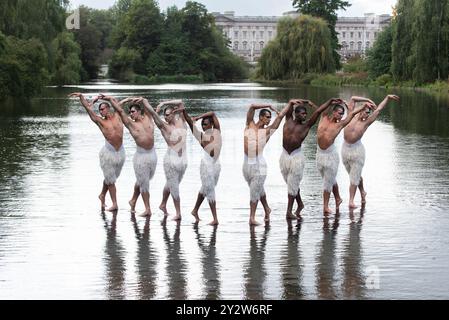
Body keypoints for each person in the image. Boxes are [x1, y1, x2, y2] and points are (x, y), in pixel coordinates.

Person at [280, 98, 338, 219]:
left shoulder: (306, 126)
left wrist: (330, 101)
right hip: (284, 156)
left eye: (306, 114)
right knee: (291, 184)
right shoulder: (288, 119)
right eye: (302, 113)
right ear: (296, 114)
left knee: (292, 184)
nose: (305, 115)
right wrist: (293, 102)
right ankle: (300, 204)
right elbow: (290, 104)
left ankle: (289, 212)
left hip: (296, 157)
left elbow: (318, 112)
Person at [101, 95, 157, 217]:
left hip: (153, 155)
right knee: (144, 183)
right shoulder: (130, 124)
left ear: (140, 111)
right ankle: (148, 209)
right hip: (141, 157)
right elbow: (120, 111)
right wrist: (110, 100)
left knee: (143, 181)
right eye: (130, 112)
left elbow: (149, 108)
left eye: (133, 111)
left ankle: (133, 201)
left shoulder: (148, 118)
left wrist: (143, 100)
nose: (131, 114)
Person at [69, 92, 125, 212]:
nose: (101, 111)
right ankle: (115, 203)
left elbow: (117, 102)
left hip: (120, 152)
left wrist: (107, 98)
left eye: (103, 109)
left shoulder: (118, 116)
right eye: (99, 110)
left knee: (112, 178)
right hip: (107, 154)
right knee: (110, 180)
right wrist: (81, 97)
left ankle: (102, 195)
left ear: (108, 108)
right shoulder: (100, 121)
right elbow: (88, 109)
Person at [342, 94, 400, 208]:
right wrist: (367, 99)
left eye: (369, 113)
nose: (367, 114)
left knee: (354, 177)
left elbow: (378, 110)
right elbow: (353, 98)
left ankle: (351, 201)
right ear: (361, 110)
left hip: (357, 151)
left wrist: (387, 98)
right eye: (366, 111)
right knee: (355, 176)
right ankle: (363, 192)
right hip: (344, 149)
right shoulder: (351, 115)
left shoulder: (366, 123)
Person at [134, 98, 188, 221]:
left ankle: (163, 204)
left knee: (170, 183)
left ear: (174, 114)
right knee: (174, 185)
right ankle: (178, 213)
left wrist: (165, 103)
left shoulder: (181, 121)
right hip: (171, 160)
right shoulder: (164, 126)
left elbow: (180, 103)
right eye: (164, 115)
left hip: (183, 159)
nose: (166, 117)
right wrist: (144, 102)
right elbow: (153, 114)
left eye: (168, 115)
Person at [316, 97, 367, 214]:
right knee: (328, 179)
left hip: (331, 155)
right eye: (339, 113)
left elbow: (351, 114)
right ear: (333, 112)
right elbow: (322, 109)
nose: (340, 116)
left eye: (342, 114)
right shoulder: (323, 117)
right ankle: (338, 198)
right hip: (319, 154)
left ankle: (325, 206)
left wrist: (362, 108)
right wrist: (330, 101)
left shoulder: (340, 125)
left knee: (327, 183)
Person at [243, 102, 290, 225]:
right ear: (261, 117)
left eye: (270, 117)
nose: (269, 119)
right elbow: (252, 106)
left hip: (259, 164)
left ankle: (252, 218)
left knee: (254, 190)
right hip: (247, 163)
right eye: (268, 117)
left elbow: (279, 118)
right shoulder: (249, 124)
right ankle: (267, 209)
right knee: (258, 189)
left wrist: (289, 104)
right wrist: (268, 105)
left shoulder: (268, 131)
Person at [183, 109, 222, 225]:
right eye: (202, 125)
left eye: (205, 124)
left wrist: (199, 117)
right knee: (210, 190)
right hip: (206, 165)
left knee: (206, 188)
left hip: (216, 165)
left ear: (211, 124)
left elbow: (213, 113)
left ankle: (195, 210)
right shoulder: (201, 136)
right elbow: (190, 124)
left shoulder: (217, 131)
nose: (203, 127)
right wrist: (185, 112)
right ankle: (215, 218)